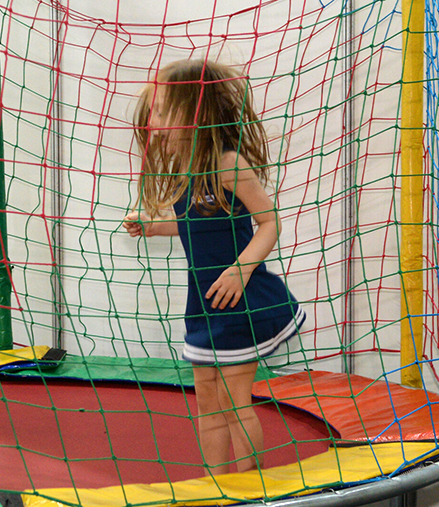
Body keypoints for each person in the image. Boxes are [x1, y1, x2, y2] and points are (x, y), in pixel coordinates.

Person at [123, 59, 305, 474]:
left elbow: (270, 222)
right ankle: (216, 484)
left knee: (233, 400)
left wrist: (241, 269)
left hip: (239, 302)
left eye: (163, 113)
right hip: (203, 303)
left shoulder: (229, 164)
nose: (155, 123)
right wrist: (154, 226)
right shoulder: (189, 170)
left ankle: (248, 488)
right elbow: (197, 224)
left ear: (194, 114)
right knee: (206, 398)